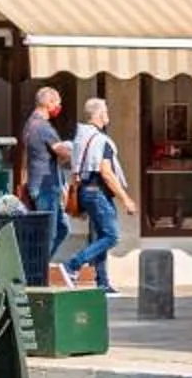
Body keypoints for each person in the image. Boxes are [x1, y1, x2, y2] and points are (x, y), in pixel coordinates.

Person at [57, 97, 129, 293]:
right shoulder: (100, 140)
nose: (108, 115)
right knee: (112, 236)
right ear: (99, 115)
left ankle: (102, 281)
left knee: (100, 236)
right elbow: (106, 171)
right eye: (105, 111)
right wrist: (126, 199)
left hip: (84, 191)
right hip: (98, 192)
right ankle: (73, 264)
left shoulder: (81, 137)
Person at [18, 85, 70, 280]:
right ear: (48, 103)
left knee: (62, 229)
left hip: (37, 184)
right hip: (46, 187)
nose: (59, 106)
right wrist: (74, 150)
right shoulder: (44, 127)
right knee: (48, 233)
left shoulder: (29, 125)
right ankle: (35, 271)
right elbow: (60, 151)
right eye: (57, 102)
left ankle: (38, 266)